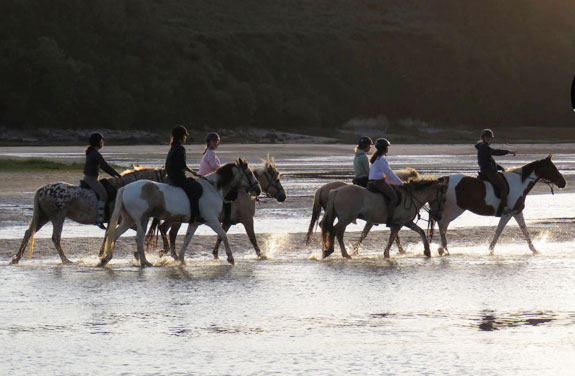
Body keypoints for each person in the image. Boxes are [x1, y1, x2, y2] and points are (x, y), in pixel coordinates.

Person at [83, 132, 122, 229]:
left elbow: (104, 167)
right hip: (91, 179)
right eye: (101, 141)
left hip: (92, 178)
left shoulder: (92, 152)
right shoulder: (95, 154)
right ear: (98, 142)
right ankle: (99, 219)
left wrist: (116, 175)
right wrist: (118, 176)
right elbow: (105, 166)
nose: (103, 143)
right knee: (103, 195)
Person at [475, 128, 517, 215]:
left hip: (489, 170)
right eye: (487, 137)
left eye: (490, 138)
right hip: (488, 172)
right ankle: (505, 208)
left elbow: (488, 161)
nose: (489, 139)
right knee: (503, 187)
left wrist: (499, 167)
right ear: (483, 137)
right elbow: (495, 152)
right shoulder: (483, 146)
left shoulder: (483, 146)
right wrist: (507, 151)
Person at [165, 125, 202, 223]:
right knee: (196, 189)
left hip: (171, 176)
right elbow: (182, 165)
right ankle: (195, 215)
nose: (185, 138)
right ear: (181, 137)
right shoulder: (180, 148)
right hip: (178, 177)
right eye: (184, 136)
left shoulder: (173, 147)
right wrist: (193, 172)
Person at [367, 138, 403, 226]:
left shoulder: (376, 158)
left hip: (372, 182)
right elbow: (389, 173)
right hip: (378, 183)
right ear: (384, 148)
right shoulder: (382, 159)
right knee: (394, 197)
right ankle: (389, 220)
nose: (388, 149)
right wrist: (400, 183)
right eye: (387, 147)